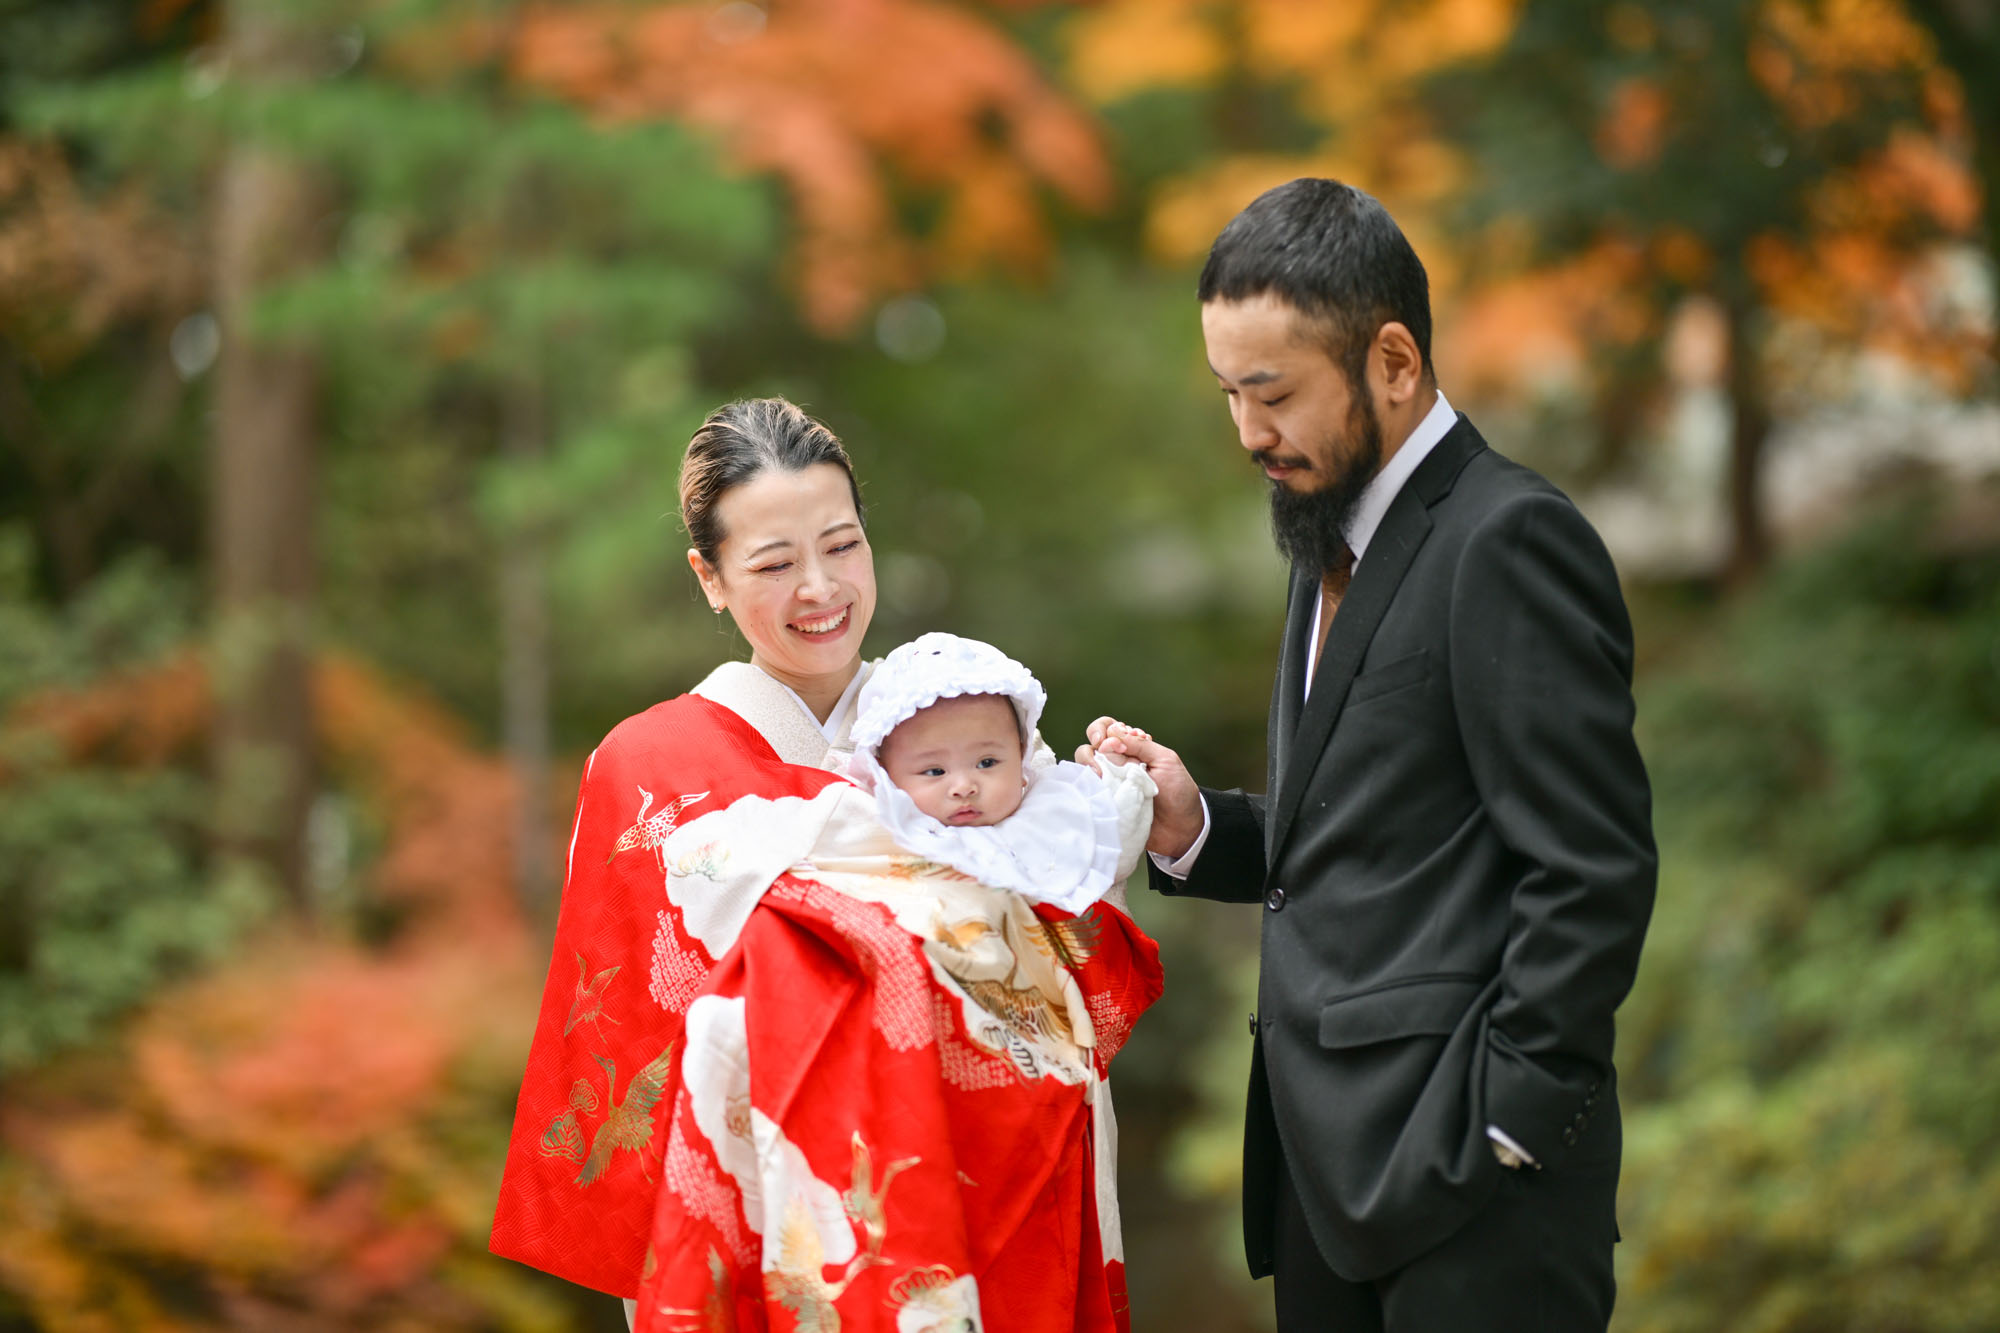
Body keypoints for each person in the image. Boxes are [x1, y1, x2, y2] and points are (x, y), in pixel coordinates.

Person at [1082, 179, 1657, 1331]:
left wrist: (1506, 1126)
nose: (1248, 432)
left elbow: (1590, 868)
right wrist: (1197, 826)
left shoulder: (1508, 539)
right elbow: (1359, 834)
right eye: (1228, 395)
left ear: (1392, 361)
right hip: (1321, 1177)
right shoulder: (1326, 533)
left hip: (1470, 1192)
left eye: (1272, 391)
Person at [489, 399, 1162, 1333]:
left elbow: (1063, 939)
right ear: (710, 578)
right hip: (769, 1233)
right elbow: (645, 1050)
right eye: (773, 563)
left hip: (989, 1198)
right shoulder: (650, 771)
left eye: (842, 545)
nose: (820, 587)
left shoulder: (952, 723)